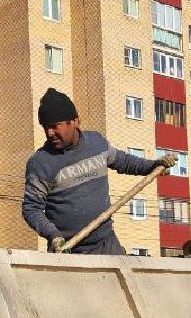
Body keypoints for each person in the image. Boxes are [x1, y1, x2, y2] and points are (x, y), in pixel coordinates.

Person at [22, 88, 174, 255]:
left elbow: (125, 162)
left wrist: (153, 165)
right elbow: (31, 208)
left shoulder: (97, 143)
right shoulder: (41, 163)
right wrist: (53, 235)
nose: (49, 133)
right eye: (45, 127)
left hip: (106, 244)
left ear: (74, 121)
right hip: (68, 251)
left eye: (54, 126)